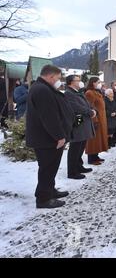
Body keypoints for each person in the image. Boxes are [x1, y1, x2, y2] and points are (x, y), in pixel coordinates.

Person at [25, 65, 74, 209]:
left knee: (51, 167)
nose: (58, 81)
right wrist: (59, 136)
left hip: (47, 137)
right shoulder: (42, 90)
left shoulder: (42, 87)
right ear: (51, 76)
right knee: (47, 168)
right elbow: (49, 117)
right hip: (46, 138)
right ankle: (43, 199)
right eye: (58, 78)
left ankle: (50, 190)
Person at [65, 75, 96, 180]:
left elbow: (86, 104)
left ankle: (79, 166)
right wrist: (90, 112)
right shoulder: (69, 93)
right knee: (75, 147)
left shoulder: (78, 92)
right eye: (78, 80)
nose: (80, 82)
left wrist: (91, 109)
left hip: (83, 121)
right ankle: (72, 171)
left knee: (81, 145)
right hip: (77, 122)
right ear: (71, 82)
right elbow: (76, 107)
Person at [85, 78, 109, 165]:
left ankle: (96, 155)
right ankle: (91, 158)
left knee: (98, 139)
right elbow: (89, 107)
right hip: (95, 119)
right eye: (98, 82)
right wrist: (94, 120)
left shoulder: (97, 92)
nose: (100, 84)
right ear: (93, 83)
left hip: (101, 118)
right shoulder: (89, 93)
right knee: (93, 140)